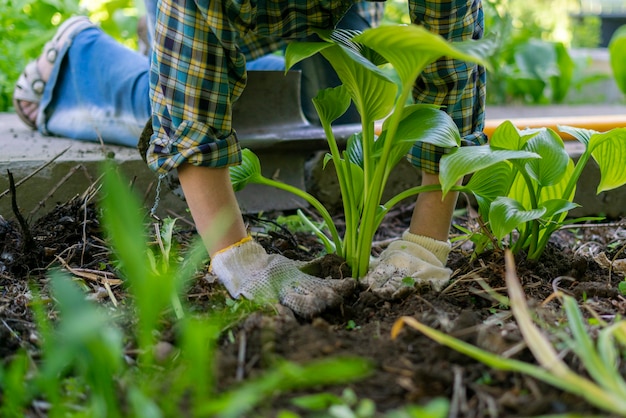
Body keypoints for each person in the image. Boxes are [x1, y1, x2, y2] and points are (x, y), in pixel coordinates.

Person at [147, 0, 486, 317]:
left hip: (334, 9)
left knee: (349, 116)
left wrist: (426, 242)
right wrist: (235, 255)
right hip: (220, 15)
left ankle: (264, 75)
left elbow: (451, 55)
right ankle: (95, 48)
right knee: (152, 103)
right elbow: (188, 109)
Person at [12, 2, 383, 146]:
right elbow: (189, 127)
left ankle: (160, 47)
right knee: (184, 114)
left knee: (325, 115)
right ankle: (80, 56)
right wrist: (235, 253)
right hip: (217, 7)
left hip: (329, 10)